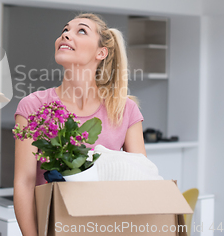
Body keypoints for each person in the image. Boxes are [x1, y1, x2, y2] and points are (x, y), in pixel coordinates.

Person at [13, 13, 146, 235]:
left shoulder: (125, 109)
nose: (65, 34)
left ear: (101, 52)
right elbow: (24, 184)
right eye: (64, 30)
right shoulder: (33, 106)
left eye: (80, 30)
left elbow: (141, 179)